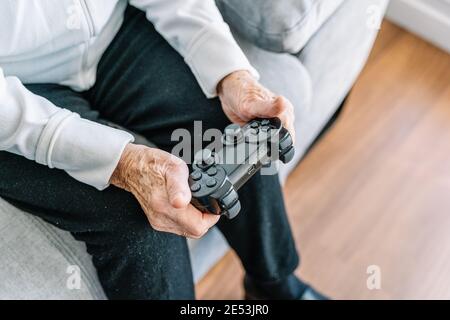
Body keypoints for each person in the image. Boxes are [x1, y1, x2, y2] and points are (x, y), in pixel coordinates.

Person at [0, 0, 325, 299]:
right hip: (16, 86)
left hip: (112, 32)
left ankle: (273, 285)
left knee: (237, 128)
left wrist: (231, 75)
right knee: (144, 213)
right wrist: (120, 164)